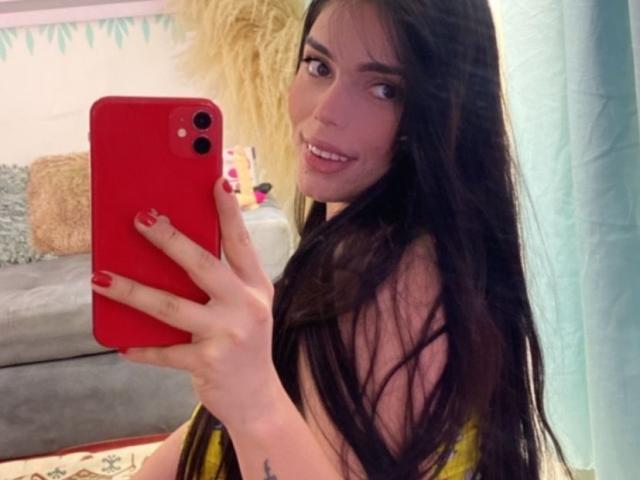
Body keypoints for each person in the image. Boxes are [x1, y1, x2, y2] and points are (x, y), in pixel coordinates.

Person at [91, 0, 572, 478]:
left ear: (443, 111)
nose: (326, 111)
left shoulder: (393, 288)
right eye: (319, 66)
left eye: (384, 89)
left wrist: (252, 399)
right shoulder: (368, 235)